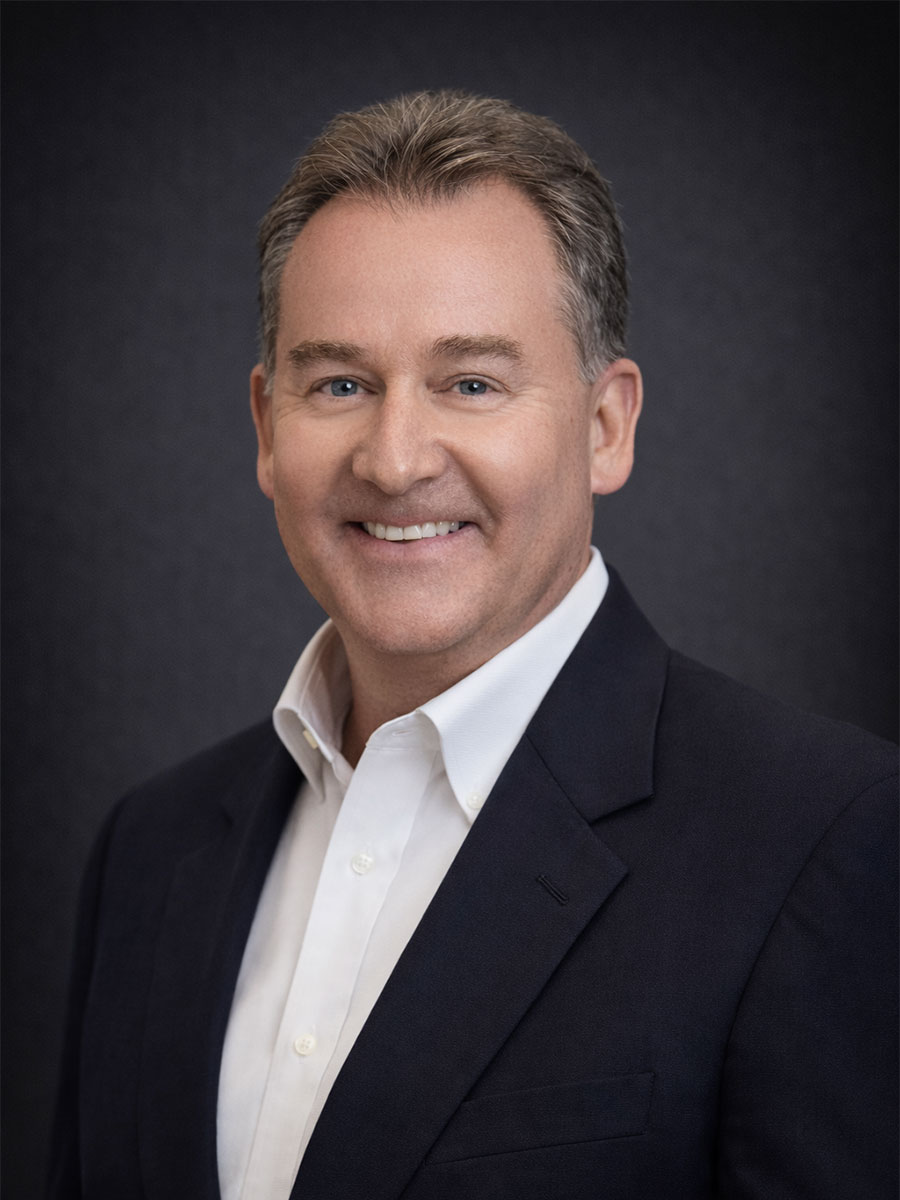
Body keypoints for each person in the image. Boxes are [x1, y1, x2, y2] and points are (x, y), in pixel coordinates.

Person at [49, 91, 897, 1200]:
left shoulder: (828, 838)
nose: (395, 459)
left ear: (607, 427)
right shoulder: (149, 853)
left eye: (472, 384)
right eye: (340, 383)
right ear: (267, 429)